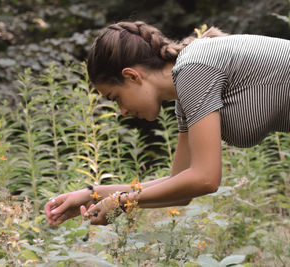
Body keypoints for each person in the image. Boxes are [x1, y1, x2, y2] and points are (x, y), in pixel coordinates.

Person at [44, 21, 290, 226]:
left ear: (131, 75)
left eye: (116, 97)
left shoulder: (193, 69)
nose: (122, 111)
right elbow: (182, 184)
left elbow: (205, 178)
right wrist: (93, 194)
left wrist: (123, 201)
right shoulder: (186, 90)